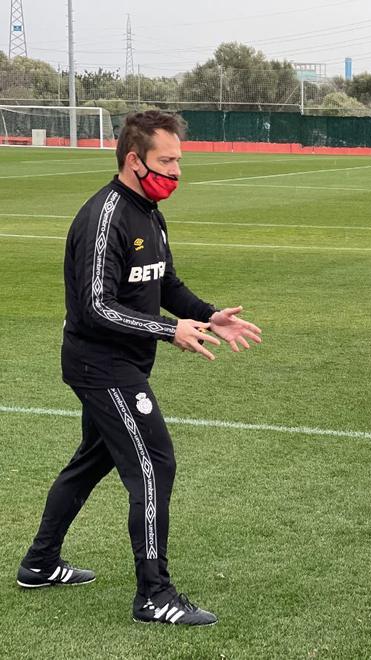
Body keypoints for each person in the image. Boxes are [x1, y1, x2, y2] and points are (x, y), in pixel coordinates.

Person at [16, 110, 262, 626]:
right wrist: (170, 330)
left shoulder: (149, 210)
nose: (176, 171)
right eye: (166, 160)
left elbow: (164, 282)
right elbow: (95, 306)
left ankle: (39, 564)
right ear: (135, 159)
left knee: (93, 459)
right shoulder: (105, 216)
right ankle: (154, 595)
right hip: (99, 364)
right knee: (154, 464)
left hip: (122, 362)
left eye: (178, 160)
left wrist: (207, 314)